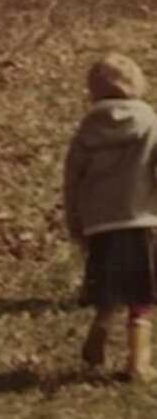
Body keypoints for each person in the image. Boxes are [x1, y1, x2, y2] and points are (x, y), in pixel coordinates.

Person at [63, 52, 157, 381]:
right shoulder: (148, 120)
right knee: (143, 294)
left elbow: (72, 176)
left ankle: (102, 323)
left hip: (99, 222)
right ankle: (138, 364)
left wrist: (76, 219)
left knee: (109, 285)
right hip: (141, 218)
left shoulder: (89, 126)